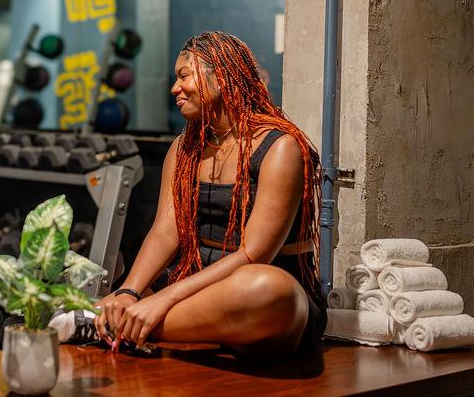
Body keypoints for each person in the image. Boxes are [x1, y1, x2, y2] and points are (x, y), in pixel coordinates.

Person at [94, 31, 326, 355]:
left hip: (250, 295)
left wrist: (163, 298)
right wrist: (129, 292)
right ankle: (133, 323)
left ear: (222, 77)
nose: (174, 88)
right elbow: (164, 233)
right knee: (114, 301)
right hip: (193, 286)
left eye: (183, 76)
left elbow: (253, 255)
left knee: (270, 290)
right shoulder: (183, 148)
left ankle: (133, 328)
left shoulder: (281, 148)